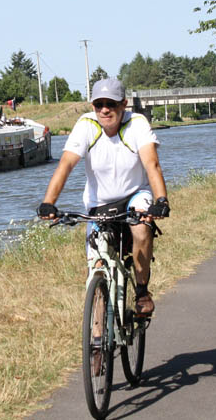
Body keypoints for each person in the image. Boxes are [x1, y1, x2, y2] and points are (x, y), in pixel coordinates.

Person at [37, 78, 170, 316]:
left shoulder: (137, 124)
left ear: (124, 104)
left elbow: (152, 164)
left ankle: (141, 291)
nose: (105, 110)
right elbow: (66, 165)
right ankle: (97, 341)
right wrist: (49, 202)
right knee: (96, 268)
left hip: (135, 195)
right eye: (99, 104)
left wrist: (161, 201)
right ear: (93, 106)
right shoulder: (86, 125)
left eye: (111, 104)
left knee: (141, 229)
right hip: (99, 203)